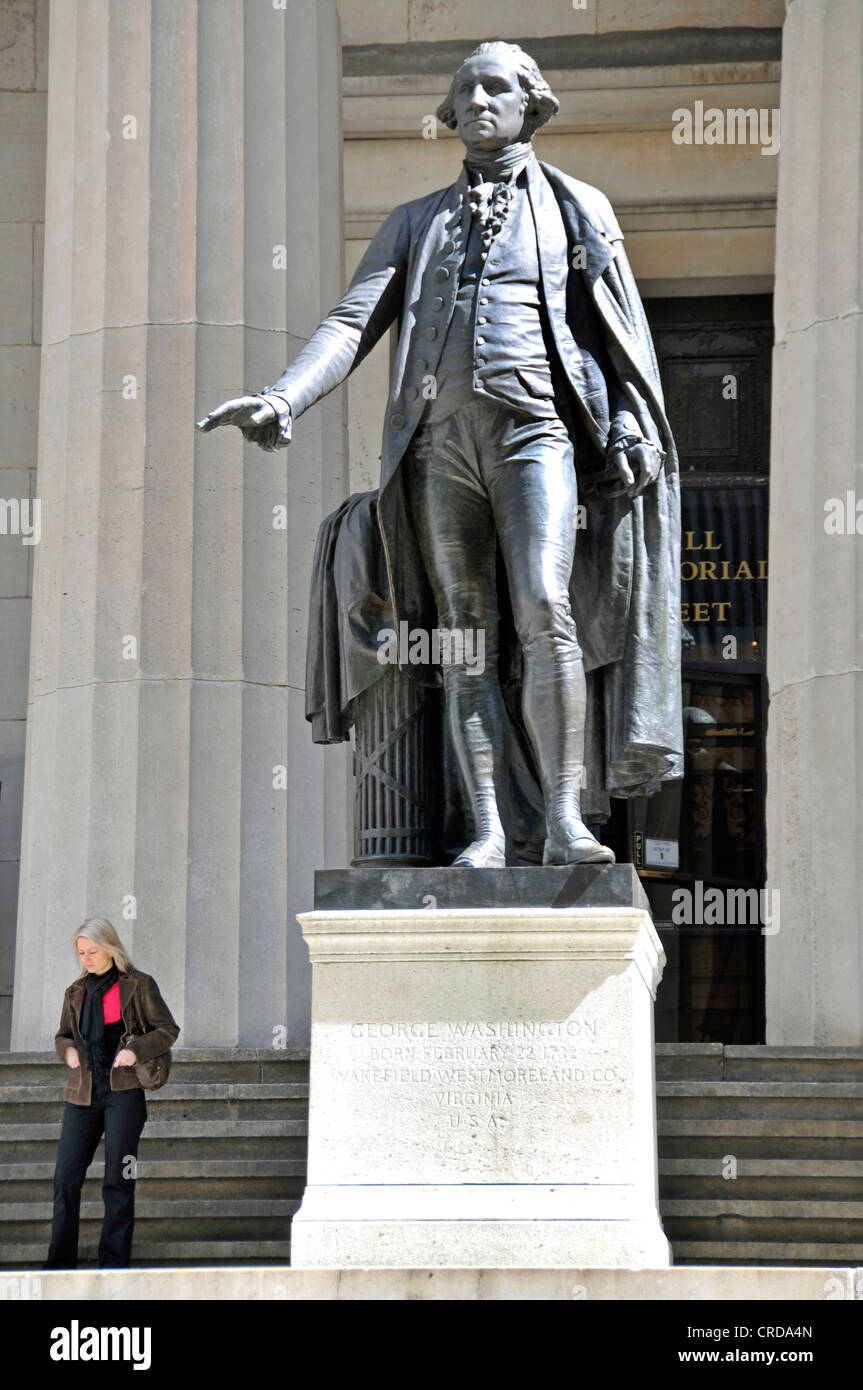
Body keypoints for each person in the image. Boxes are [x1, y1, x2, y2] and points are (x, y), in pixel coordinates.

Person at [198, 41, 682, 868]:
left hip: (537, 433)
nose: (479, 100)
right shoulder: (414, 222)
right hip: (435, 447)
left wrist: (633, 423)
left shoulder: (577, 208)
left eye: (496, 87)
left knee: (543, 604)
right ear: (450, 114)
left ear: (531, 104)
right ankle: (488, 830)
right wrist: (284, 397)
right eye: (465, 90)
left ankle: (566, 820)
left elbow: (617, 332)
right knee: (463, 634)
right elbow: (351, 322)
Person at [44, 919, 180, 1269]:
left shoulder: (138, 984)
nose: (86, 959)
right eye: (81, 953)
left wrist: (135, 1049)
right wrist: (68, 1052)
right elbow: (63, 1035)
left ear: (111, 948)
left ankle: (113, 1264)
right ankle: (59, 1264)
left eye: (93, 951)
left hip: (124, 1092)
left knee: (119, 1178)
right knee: (65, 1178)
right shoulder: (75, 992)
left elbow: (167, 1029)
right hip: (82, 1093)